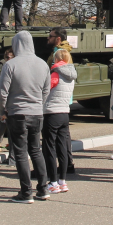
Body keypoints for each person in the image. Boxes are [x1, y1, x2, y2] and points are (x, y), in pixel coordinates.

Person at [0, 31, 51, 203]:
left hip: (17, 113)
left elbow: (1, 92)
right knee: (36, 150)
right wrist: (39, 105)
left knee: (20, 152)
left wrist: (2, 111)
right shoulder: (43, 64)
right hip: (37, 113)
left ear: (16, 45)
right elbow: (46, 91)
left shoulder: (10, 65)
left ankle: (26, 192)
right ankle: (43, 188)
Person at [43, 49, 76, 195]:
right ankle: (62, 181)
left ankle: (53, 182)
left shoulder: (55, 73)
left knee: (49, 147)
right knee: (62, 147)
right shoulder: (71, 75)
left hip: (52, 112)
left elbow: (45, 90)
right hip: (65, 113)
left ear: (56, 60)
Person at [45, 27, 76, 174]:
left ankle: (56, 169)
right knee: (64, 136)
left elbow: (51, 74)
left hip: (56, 98)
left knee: (54, 139)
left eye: (50, 36)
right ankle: (68, 164)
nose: (48, 38)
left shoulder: (59, 53)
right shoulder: (64, 52)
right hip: (63, 98)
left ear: (58, 38)